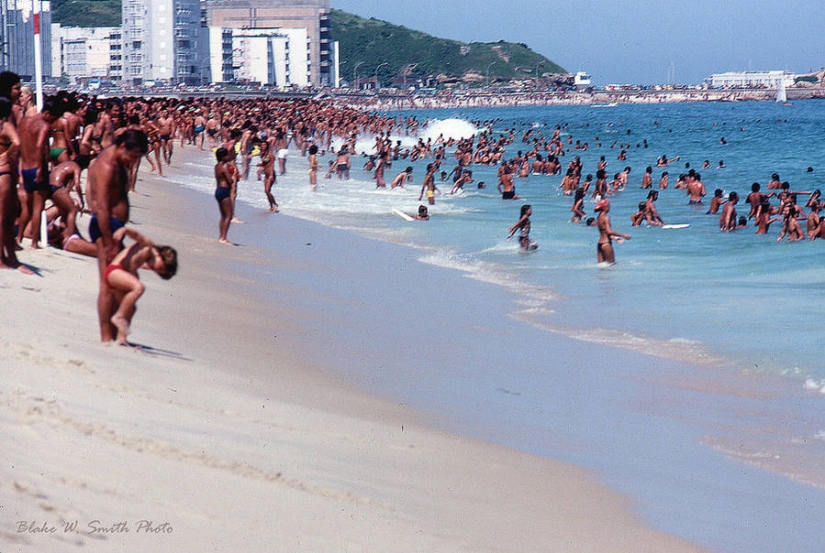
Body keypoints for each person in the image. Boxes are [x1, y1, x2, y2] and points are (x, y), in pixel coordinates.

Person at [87, 129, 149, 342]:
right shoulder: (106, 165)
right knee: (108, 283)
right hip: (107, 229)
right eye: (133, 156)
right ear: (123, 147)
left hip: (113, 227)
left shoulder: (117, 161)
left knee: (122, 283)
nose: (133, 162)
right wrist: (108, 241)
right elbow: (102, 207)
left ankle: (115, 334)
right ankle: (106, 337)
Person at [104, 227, 177, 346]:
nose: (155, 269)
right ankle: (119, 316)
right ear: (162, 255)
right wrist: (125, 231)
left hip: (118, 276)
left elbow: (136, 261)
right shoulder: (149, 245)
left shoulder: (146, 258)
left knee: (131, 308)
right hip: (114, 271)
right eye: (159, 268)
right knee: (139, 288)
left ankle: (121, 338)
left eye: (157, 272)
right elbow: (137, 236)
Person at [0, 96, 23, 271]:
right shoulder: (6, 125)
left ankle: (7, 256)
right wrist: (7, 155)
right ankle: (1, 258)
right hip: (4, 173)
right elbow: (18, 142)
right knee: (4, 218)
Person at [595, 199, 630, 264]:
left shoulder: (599, 217)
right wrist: (623, 235)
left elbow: (604, 232)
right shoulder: (606, 217)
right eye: (608, 205)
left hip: (600, 244)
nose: (609, 207)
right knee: (611, 265)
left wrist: (615, 238)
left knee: (601, 266)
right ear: (605, 207)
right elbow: (609, 231)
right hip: (606, 243)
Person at [214, 147, 236, 244]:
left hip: (218, 190)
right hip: (224, 190)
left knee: (223, 215)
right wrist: (233, 174)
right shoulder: (224, 166)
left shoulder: (217, 166)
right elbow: (230, 181)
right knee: (228, 215)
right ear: (223, 157)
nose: (229, 156)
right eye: (227, 155)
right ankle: (223, 237)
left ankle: (221, 236)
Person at [257, 141, 278, 212]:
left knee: (267, 190)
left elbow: (272, 165)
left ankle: (275, 204)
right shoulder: (264, 155)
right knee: (266, 191)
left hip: (271, 174)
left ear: (267, 146)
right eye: (262, 145)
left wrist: (272, 175)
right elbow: (265, 164)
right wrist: (259, 167)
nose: (263, 146)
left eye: (264, 145)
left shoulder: (270, 155)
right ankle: (271, 206)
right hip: (266, 174)